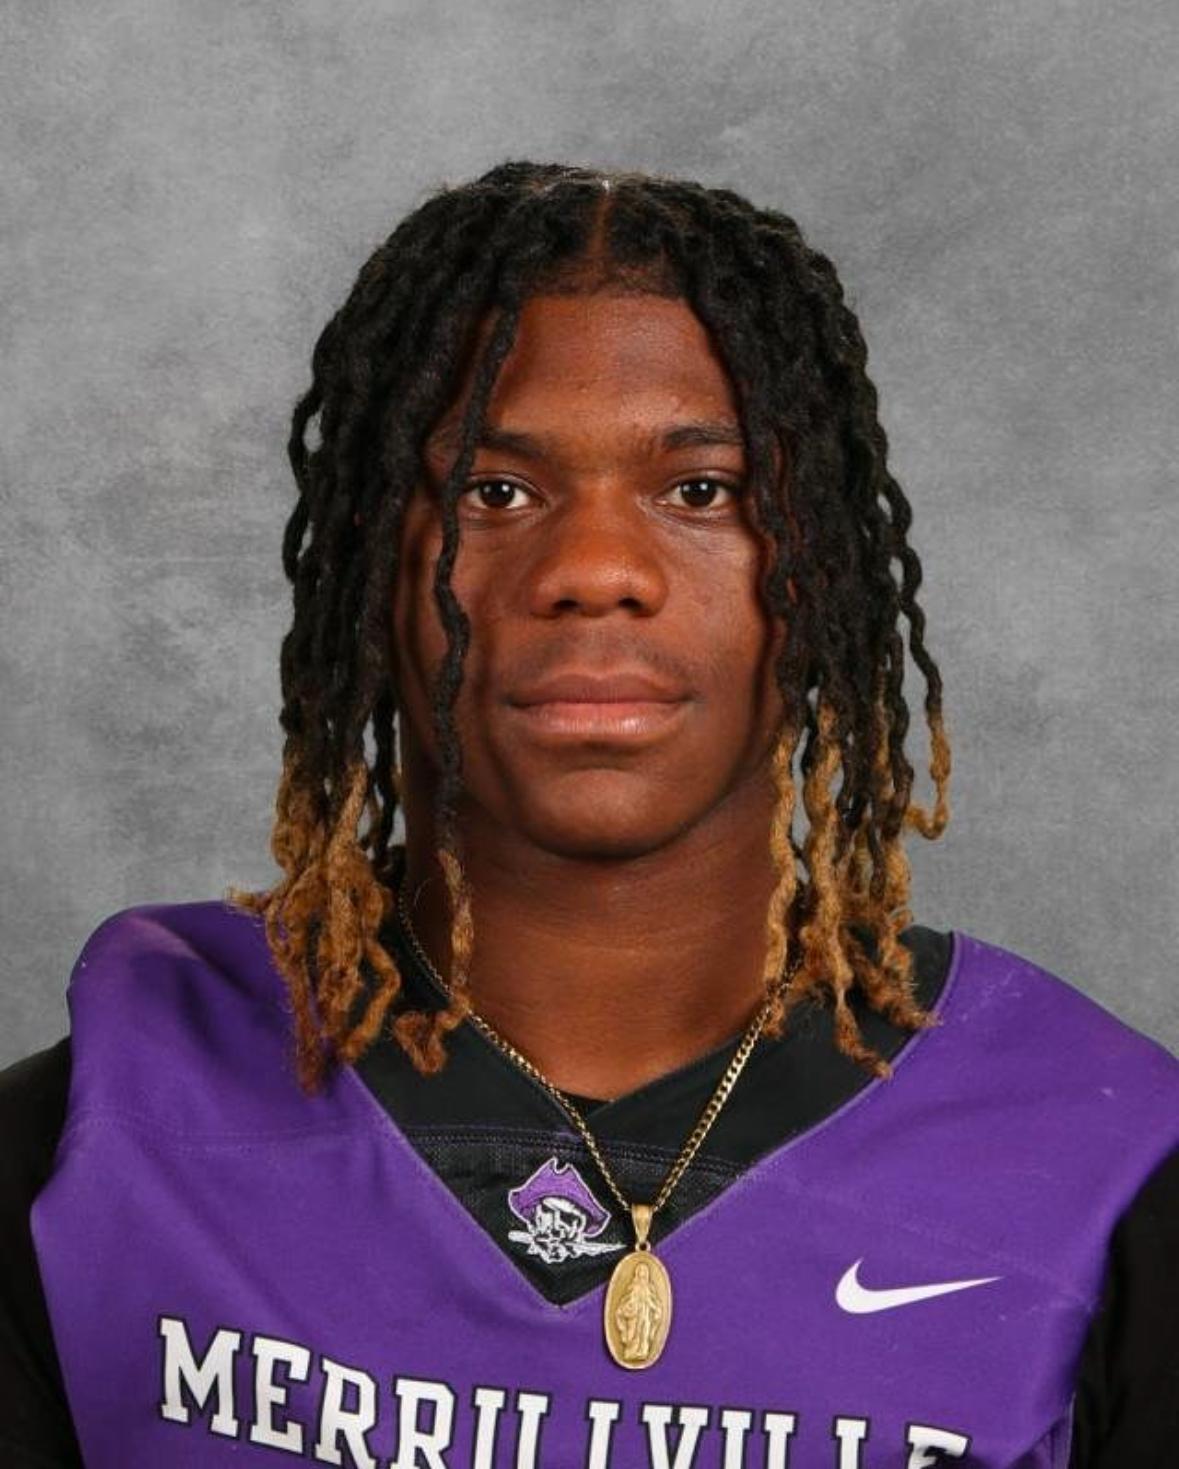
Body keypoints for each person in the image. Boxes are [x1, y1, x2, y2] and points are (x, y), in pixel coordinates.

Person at [1, 160, 1177, 1467]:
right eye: (494, 492)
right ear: (370, 569)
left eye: (702, 490)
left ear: (821, 571)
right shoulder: (100, 1140)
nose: (596, 569)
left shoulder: (1107, 1165)